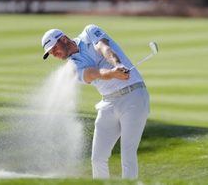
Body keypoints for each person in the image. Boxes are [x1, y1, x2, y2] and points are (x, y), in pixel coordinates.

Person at [41, 25, 150, 179]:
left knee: (128, 152)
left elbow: (104, 48)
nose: (54, 54)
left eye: (54, 49)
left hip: (134, 96)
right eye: (51, 53)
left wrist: (117, 64)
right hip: (109, 103)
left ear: (64, 39)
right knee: (98, 158)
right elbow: (94, 74)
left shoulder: (89, 32)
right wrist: (112, 73)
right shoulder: (72, 67)